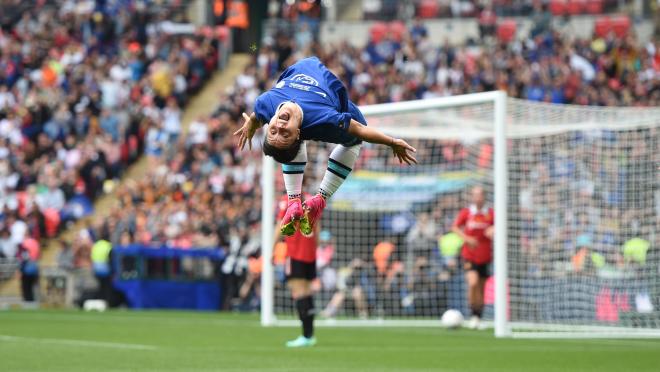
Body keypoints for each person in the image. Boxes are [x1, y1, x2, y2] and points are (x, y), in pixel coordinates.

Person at [234, 56, 417, 237]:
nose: (279, 128)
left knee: (287, 146)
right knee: (353, 144)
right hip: (340, 116)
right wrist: (391, 142)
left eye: (273, 131)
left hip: (308, 84)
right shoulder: (323, 117)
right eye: (285, 133)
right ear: (297, 132)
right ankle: (319, 199)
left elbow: (258, 116)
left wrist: (252, 122)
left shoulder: (264, 104)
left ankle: (294, 202)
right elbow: (360, 129)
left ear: (269, 122)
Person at [273, 192, 319, 347]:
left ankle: (306, 336)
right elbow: (317, 227)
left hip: (295, 252)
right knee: (306, 291)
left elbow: (281, 225)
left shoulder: (288, 200)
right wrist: (314, 248)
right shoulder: (312, 199)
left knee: (299, 292)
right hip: (310, 253)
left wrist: (272, 248)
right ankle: (309, 335)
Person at [451, 186, 494, 329]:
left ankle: (477, 316)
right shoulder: (467, 212)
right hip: (469, 255)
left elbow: (499, 226)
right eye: (475, 195)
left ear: (484, 196)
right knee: (473, 282)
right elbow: (455, 227)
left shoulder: (491, 213)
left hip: (485, 255)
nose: (477, 198)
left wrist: (494, 229)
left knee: (481, 288)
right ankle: (472, 313)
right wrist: (467, 238)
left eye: (480, 195)